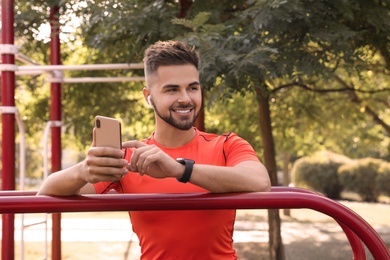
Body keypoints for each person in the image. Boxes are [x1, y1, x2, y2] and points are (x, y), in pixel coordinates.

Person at [38, 40, 271, 259]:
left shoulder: (227, 144)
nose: (185, 98)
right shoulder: (130, 158)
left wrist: (180, 170)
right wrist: (82, 170)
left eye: (192, 88)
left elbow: (260, 182)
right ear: (148, 97)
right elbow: (46, 195)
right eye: (171, 90)